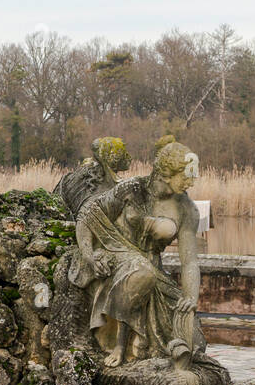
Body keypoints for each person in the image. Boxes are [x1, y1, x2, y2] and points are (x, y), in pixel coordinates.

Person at [74, 141, 203, 366]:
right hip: (116, 253)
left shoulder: (187, 209)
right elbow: (86, 219)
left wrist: (191, 296)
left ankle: (174, 352)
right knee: (142, 273)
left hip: (152, 266)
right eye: (186, 176)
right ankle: (120, 346)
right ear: (166, 172)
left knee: (194, 335)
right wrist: (90, 256)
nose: (192, 182)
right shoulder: (132, 189)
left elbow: (190, 261)